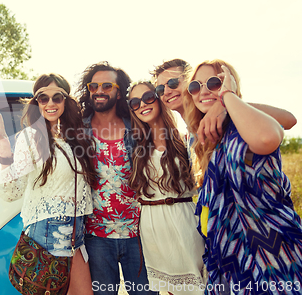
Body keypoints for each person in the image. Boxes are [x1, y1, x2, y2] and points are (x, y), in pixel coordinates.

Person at [183, 59, 302, 294]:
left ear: (229, 84)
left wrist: (227, 97)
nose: (204, 90)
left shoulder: (246, 123)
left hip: (270, 251)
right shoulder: (205, 139)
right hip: (227, 255)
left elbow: (278, 128)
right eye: (195, 86)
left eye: (214, 82)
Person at [0, 73, 97, 295]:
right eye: (42, 98)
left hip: (77, 232)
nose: (50, 103)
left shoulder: (76, 138)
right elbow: (13, 191)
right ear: (36, 103)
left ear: (66, 100)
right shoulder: (31, 137)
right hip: (46, 233)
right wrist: (5, 155)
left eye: (57, 97)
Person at [76, 62, 154, 295]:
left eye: (107, 85)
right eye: (94, 85)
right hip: (96, 236)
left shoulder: (137, 127)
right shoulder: (79, 131)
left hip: (138, 234)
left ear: (119, 92)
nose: (99, 90)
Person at [126, 81, 205, 295]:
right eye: (135, 102)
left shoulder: (185, 138)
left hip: (183, 219)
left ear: (159, 98)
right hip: (151, 225)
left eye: (148, 97)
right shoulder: (134, 146)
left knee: (196, 287)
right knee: (169, 290)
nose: (142, 104)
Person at [151, 58, 297, 145]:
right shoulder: (188, 138)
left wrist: (224, 104)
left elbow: (289, 120)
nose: (167, 92)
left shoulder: (229, 118)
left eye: (172, 83)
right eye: (159, 89)